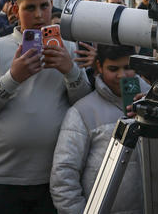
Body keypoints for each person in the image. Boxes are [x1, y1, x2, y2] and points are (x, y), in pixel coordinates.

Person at [0, 0, 91, 214]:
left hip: (53, 179)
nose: (39, 15)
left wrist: (70, 71)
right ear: (16, 9)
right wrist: (13, 78)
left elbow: (85, 110)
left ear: (53, 4)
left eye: (44, 6)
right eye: (30, 8)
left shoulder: (69, 49)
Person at [51, 44, 150, 214]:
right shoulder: (82, 112)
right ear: (99, 67)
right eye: (113, 68)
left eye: (128, 67)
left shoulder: (154, 104)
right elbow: (63, 176)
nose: (122, 75)